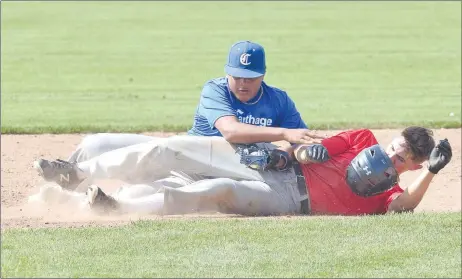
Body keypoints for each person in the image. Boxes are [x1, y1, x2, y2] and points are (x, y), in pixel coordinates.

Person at [45, 40, 317, 192]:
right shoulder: (215, 89)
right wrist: (282, 134)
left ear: (263, 75)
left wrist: (289, 152)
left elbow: (302, 142)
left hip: (208, 175)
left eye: (250, 78)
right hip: (181, 155)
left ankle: (81, 200)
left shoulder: (278, 100)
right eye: (236, 76)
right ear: (226, 73)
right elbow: (231, 131)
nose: (242, 83)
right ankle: (59, 190)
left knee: (137, 195)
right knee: (95, 144)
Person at [32, 126, 452, 216]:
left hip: (291, 200)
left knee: (216, 190)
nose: (393, 158)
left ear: (412, 165)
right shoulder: (361, 139)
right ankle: (78, 173)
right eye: (394, 149)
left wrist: (429, 174)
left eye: (403, 160)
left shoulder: (387, 193)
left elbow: (404, 208)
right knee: (169, 149)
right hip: (282, 171)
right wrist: (293, 155)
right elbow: (309, 151)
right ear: (391, 139)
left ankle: (114, 206)